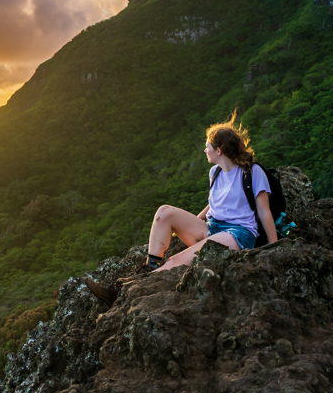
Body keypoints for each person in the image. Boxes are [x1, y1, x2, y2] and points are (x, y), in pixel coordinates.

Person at [86, 113, 277, 305]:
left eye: (207, 146)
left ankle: (121, 291)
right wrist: (191, 222)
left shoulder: (252, 172)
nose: (205, 150)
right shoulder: (215, 172)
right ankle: (150, 266)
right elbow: (216, 203)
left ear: (218, 151)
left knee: (174, 262)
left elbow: (263, 211)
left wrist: (275, 247)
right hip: (213, 227)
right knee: (164, 212)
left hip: (238, 233)